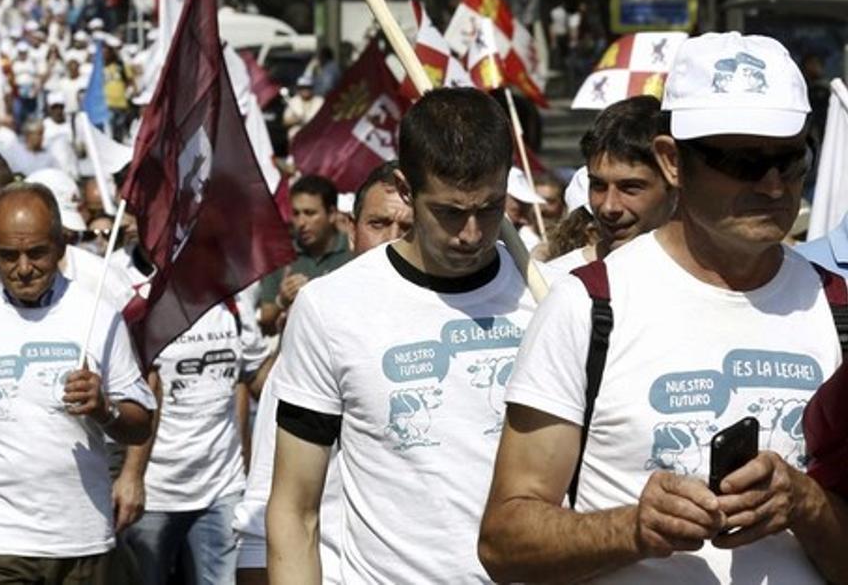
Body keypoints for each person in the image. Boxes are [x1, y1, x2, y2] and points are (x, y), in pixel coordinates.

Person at [479, 32, 848, 584]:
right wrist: (632, 529)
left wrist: (806, 504)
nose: (773, 183)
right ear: (672, 161)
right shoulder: (588, 305)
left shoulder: (837, 311)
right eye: (742, 160)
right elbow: (504, 541)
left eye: (792, 158)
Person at [266, 88, 538, 582]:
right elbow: (294, 510)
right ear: (405, 190)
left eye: (490, 207)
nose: (473, 234)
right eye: (451, 212)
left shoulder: (549, 298)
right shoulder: (331, 308)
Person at [0, 184, 155, 583]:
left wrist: (104, 408)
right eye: (9, 255)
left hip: (82, 542)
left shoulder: (98, 313)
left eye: (37, 252)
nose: (23, 268)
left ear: (60, 246)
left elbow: (140, 423)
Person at [234, 160, 411, 584]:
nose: (391, 240)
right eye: (378, 223)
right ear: (352, 229)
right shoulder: (318, 334)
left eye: (407, 228)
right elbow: (267, 509)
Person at [117, 240, 268, 585]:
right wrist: (132, 477)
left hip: (223, 486)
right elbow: (142, 392)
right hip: (156, 492)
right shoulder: (145, 307)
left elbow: (252, 378)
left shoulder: (234, 303)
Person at [543, 96, 677, 277]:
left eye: (630, 187)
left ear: (675, 181)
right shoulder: (556, 281)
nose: (608, 207)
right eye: (598, 185)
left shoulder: (718, 279)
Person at [257, 175, 353, 335]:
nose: (301, 223)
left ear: (331, 214)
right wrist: (282, 300)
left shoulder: (354, 251)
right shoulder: (281, 256)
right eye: (296, 213)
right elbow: (265, 319)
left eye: (310, 213)